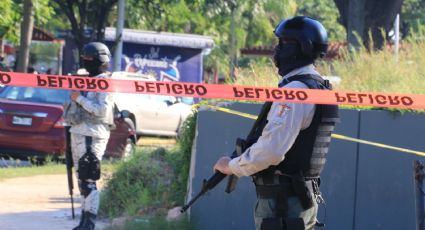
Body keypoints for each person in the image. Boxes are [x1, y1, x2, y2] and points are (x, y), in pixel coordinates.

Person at [214, 16, 340, 230]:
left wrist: (232, 166)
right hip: (297, 200)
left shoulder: (295, 91)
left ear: (302, 47)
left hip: (283, 206)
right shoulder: (319, 87)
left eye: (283, 43)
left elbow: (272, 151)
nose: (277, 49)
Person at [63, 42, 114, 230]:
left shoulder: (105, 82)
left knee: (89, 178)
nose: (86, 62)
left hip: (92, 134)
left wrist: (80, 98)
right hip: (78, 131)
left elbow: (101, 111)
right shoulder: (85, 79)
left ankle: (89, 224)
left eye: (89, 59)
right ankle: (83, 222)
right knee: (82, 180)